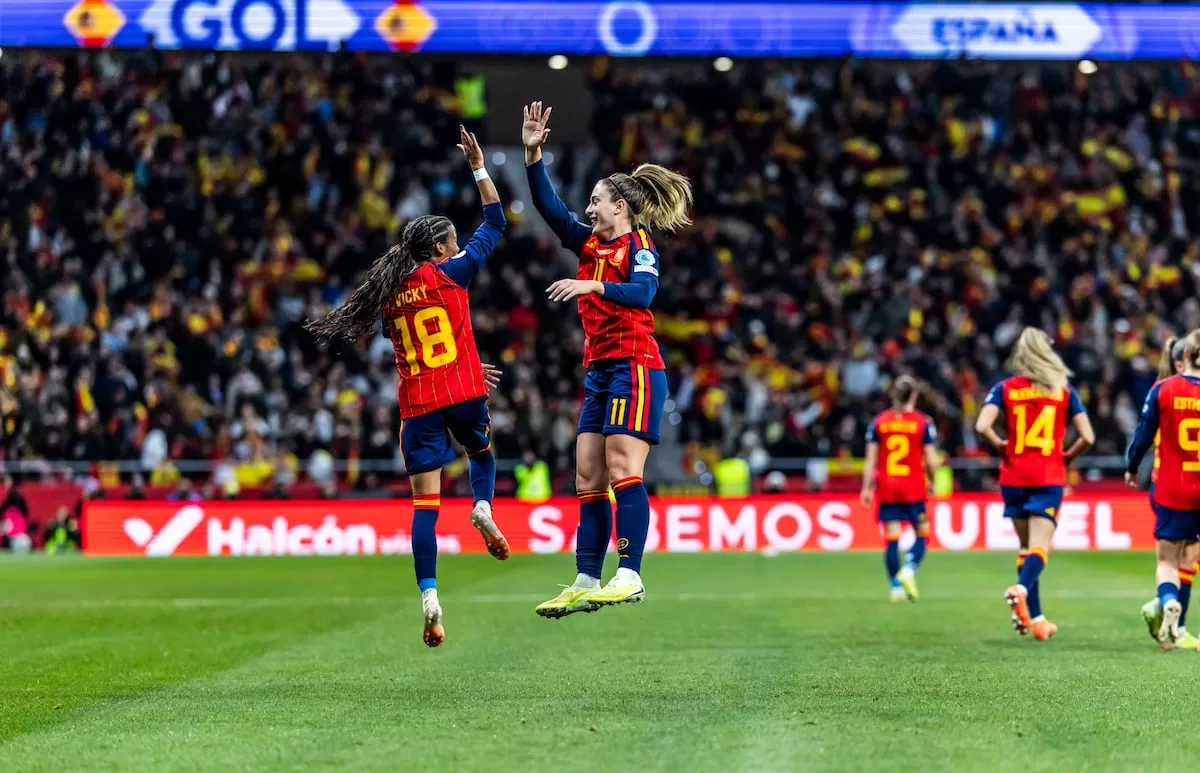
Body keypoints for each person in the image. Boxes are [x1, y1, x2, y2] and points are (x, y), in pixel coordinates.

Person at [307, 126, 508, 648]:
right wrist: (478, 165)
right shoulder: (453, 273)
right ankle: (483, 507)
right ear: (439, 248)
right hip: (463, 391)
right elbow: (496, 219)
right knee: (482, 455)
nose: (458, 245)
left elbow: (406, 338)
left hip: (418, 404)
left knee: (425, 508)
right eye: (453, 241)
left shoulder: (389, 295)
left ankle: (430, 597)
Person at [521, 101, 692, 617]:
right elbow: (550, 209)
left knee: (622, 469)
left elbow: (642, 295)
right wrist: (533, 156)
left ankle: (630, 575)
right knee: (587, 477)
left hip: (635, 367)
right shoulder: (590, 244)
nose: (588, 209)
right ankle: (585, 578)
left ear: (620, 206)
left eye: (596, 201)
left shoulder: (639, 246)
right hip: (599, 370)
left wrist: (592, 285)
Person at [975, 328, 1094, 641]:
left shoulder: (1004, 388)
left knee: (1026, 548)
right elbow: (1088, 436)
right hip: (1047, 475)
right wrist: (1066, 457)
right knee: (1040, 547)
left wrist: (1001, 445)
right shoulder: (1062, 390)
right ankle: (1021, 590)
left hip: (1013, 475)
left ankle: (1038, 619)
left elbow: (982, 425)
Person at [1126, 330, 1200, 650]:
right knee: (1191, 556)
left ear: (1185, 356)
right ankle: (1179, 628)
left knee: (1169, 560)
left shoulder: (1163, 389)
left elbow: (1143, 434)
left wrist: (1131, 467)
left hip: (1171, 487)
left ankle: (1167, 601)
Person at [860, 376, 939, 602]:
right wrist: (932, 481)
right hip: (913, 486)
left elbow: (870, 460)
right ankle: (909, 568)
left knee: (892, 539)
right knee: (922, 533)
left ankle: (895, 587)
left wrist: (866, 488)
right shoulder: (923, 423)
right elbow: (931, 461)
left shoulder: (879, 422)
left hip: (888, 486)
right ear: (914, 395)